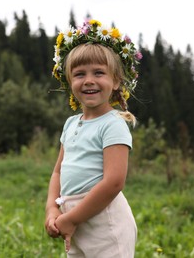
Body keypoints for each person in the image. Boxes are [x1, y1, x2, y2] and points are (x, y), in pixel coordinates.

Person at [45, 19, 142, 257]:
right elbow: (58, 172)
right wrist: (52, 209)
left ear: (116, 81)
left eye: (99, 72)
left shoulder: (113, 124)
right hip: (74, 220)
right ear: (70, 82)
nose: (88, 80)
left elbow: (114, 182)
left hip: (105, 224)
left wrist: (72, 218)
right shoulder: (71, 124)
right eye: (79, 74)